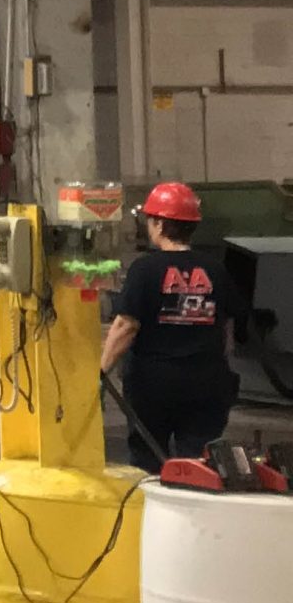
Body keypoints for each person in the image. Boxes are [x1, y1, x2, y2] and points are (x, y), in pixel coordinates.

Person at [101, 181, 241, 471]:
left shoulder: (145, 269)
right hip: (207, 383)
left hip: (154, 387)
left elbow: (125, 327)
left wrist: (101, 371)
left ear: (161, 224)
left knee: (149, 462)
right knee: (199, 465)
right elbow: (227, 328)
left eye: (150, 220)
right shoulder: (215, 268)